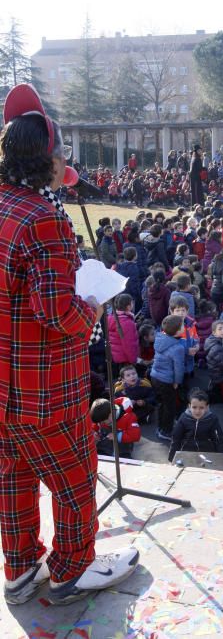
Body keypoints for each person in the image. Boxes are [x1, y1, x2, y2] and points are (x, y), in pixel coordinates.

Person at [0, 83, 138, 606]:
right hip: (45, 389)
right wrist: (93, 308)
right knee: (76, 478)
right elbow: (57, 312)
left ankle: (19, 569)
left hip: (2, 388)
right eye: (63, 155)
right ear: (49, 161)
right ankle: (73, 569)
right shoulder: (46, 221)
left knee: (12, 479)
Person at [150, 314, 186, 440]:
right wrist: (177, 381)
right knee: (170, 406)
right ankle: (166, 431)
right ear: (176, 332)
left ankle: (161, 426)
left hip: (155, 376)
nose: (184, 327)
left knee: (161, 404)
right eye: (182, 326)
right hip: (166, 380)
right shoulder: (178, 348)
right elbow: (179, 368)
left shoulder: (160, 338)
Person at [168, 388, 223, 462]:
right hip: (187, 452)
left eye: (201, 408)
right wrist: (172, 458)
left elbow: (219, 439)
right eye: (194, 407)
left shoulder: (212, 419)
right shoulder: (184, 418)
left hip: (207, 453)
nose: (197, 411)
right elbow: (176, 438)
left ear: (207, 407)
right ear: (189, 406)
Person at [108, 293, 139, 377]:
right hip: (126, 359)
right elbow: (129, 344)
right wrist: (133, 360)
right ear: (128, 306)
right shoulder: (127, 322)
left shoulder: (111, 317)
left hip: (117, 357)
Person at [205, 320, 223, 404]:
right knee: (220, 391)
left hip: (216, 372)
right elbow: (222, 362)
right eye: (220, 329)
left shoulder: (219, 341)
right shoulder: (216, 346)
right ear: (214, 332)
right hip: (218, 374)